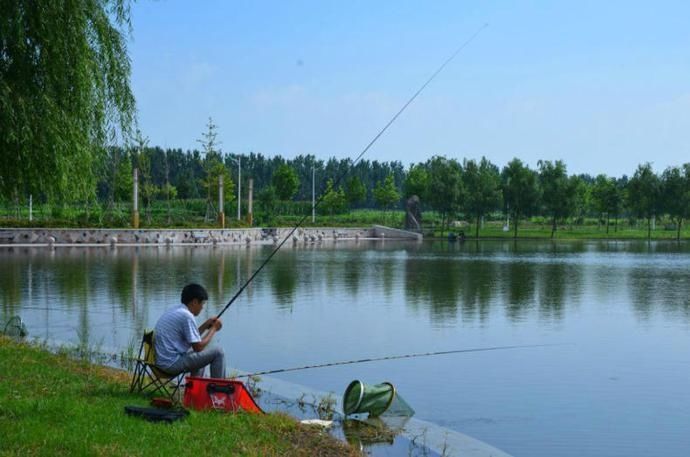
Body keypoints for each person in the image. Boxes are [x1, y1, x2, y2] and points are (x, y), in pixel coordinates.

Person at [154, 283, 226, 378]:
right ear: (195, 302)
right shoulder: (186, 316)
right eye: (202, 304)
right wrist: (213, 329)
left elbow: (192, 338)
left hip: (161, 362)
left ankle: (195, 389)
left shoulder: (176, 310)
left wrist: (206, 325)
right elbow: (198, 347)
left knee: (200, 355)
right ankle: (218, 390)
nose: (202, 308)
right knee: (218, 352)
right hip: (170, 364)